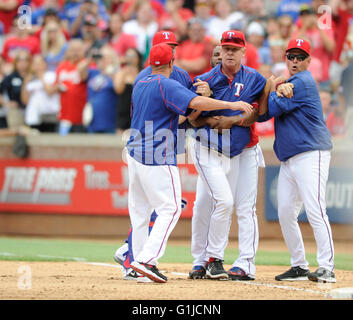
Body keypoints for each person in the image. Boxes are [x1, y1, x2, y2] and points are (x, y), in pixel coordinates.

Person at [127, 42, 253, 283]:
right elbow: (197, 103)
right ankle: (146, 261)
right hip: (157, 155)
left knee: (140, 213)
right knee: (171, 208)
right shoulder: (165, 83)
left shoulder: (141, 82)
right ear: (172, 62)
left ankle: (136, 265)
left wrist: (194, 108)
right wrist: (230, 104)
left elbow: (183, 113)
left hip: (134, 154)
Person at [187, 30, 272, 281]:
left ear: (244, 52)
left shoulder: (254, 79)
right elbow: (192, 119)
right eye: (226, 48)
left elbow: (259, 110)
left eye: (235, 48)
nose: (229, 53)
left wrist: (231, 119)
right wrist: (209, 110)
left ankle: (245, 262)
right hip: (211, 148)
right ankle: (202, 260)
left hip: (242, 150)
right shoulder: (204, 80)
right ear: (220, 50)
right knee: (206, 205)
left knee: (244, 207)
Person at [113, 30, 195, 281]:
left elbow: (187, 100)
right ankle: (141, 259)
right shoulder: (148, 77)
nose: (171, 50)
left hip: (149, 145)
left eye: (173, 45)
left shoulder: (175, 74)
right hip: (155, 147)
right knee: (167, 207)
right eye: (167, 46)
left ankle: (132, 259)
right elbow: (187, 109)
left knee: (145, 210)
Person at [258, 38, 336, 283]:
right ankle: (299, 265)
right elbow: (269, 108)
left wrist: (273, 87)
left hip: (312, 153)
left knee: (315, 209)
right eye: (290, 56)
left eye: (300, 57)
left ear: (309, 61)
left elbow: (271, 109)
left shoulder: (303, 80)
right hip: (291, 158)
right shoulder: (289, 81)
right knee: (285, 212)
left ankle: (327, 267)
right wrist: (277, 86)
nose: (294, 61)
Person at [78, 45, 120, 134]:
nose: (103, 60)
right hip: (92, 120)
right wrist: (90, 59)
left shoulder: (116, 74)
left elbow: (118, 89)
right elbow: (80, 70)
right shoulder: (93, 72)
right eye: (101, 57)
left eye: (106, 57)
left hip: (109, 121)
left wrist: (111, 73)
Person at [55, 39, 87, 135]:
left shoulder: (87, 65)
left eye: (78, 50)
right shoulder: (61, 67)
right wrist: (57, 87)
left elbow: (84, 76)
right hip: (64, 116)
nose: (75, 53)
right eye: (72, 50)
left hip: (81, 118)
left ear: (83, 51)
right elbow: (55, 85)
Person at [21, 54, 60, 132]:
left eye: (39, 63)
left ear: (45, 64)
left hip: (49, 116)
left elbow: (50, 91)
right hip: (33, 117)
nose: (37, 66)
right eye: (35, 64)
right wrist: (25, 83)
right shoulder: (30, 79)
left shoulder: (52, 76)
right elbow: (24, 100)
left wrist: (41, 78)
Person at [0, 50, 31, 130]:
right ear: (16, 62)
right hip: (16, 110)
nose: (22, 64)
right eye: (20, 61)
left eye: (25, 61)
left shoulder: (33, 76)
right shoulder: (10, 77)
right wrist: (6, 103)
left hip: (31, 109)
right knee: (16, 134)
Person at [114, 47, 142, 133]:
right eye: (128, 56)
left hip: (138, 113)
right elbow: (118, 89)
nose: (130, 58)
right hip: (123, 113)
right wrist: (124, 72)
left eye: (133, 56)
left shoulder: (142, 73)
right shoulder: (121, 73)